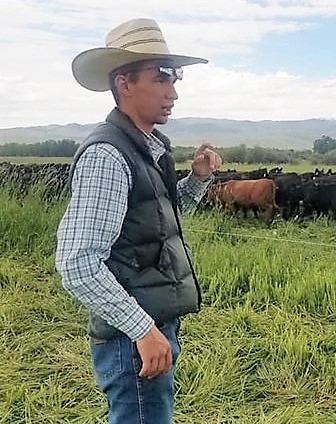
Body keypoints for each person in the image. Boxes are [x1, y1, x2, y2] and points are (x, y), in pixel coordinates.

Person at [55, 18, 222, 424]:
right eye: (161, 77)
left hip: (148, 324)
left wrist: (197, 180)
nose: (173, 92)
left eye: (175, 76)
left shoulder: (149, 147)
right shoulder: (108, 156)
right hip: (134, 336)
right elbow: (77, 262)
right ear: (124, 83)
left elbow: (159, 223)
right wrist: (143, 330)